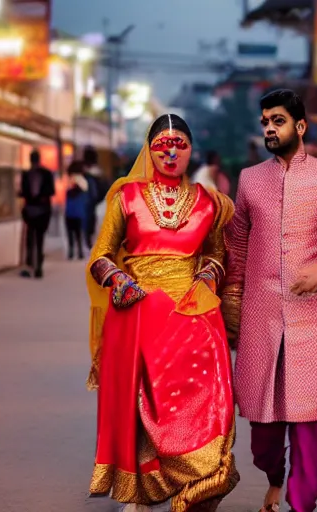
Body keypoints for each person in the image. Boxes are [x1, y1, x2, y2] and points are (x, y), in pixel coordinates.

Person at [222, 89, 317, 512]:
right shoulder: (251, 179)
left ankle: (300, 502)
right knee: (263, 435)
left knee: (310, 426)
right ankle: (275, 477)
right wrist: (229, 307)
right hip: (261, 315)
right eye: (265, 121)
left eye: (278, 121)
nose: (270, 128)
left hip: (315, 317)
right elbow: (237, 247)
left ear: (300, 126)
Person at [85, 114, 239, 511]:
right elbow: (100, 257)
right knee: (139, 404)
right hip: (135, 312)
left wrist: (207, 278)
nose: (171, 152)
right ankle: (138, 493)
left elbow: (218, 255)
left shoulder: (210, 203)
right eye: (161, 144)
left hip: (192, 316)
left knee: (204, 399)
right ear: (148, 150)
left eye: (180, 144)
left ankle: (199, 480)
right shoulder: (126, 197)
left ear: (192, 151)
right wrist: (119, 281)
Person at [19, 149, 55, 279]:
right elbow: (24, 191)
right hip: (34, 210)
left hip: (39, 211)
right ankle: (32, 265)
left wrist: (39, 197)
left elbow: (51, 191)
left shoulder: (43, 174)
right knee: (33, 239)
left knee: (37, 239)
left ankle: (36, 265)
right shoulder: (28, 174)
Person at [64, 160, 89, 260]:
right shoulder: (83, 180)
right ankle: (80, 251)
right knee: (79, 232)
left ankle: (71, 250)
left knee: (70, 232)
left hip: (69, 210)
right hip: (79, 211)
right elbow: (85, 193)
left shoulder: (68, 180)